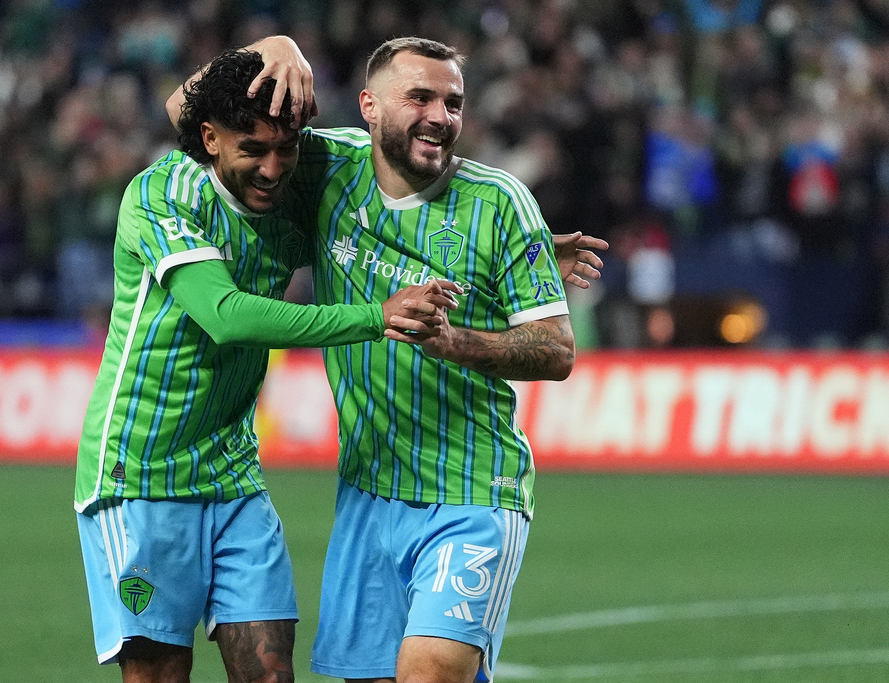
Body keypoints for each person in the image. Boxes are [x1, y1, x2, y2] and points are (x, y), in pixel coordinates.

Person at [167, 36, 607, 683]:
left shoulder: (500, 202)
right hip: (369, 493)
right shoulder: (325, 165)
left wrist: (460, 341)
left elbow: (557, 349)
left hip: (473, 492)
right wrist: (275, 46)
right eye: (420, 97)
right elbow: (187, 111)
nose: (439, 115)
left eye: (453, 102)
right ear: (369, 105)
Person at [74, 48, 462, 683]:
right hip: (139, 472)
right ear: (210, 140)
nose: (274, 168)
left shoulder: (296, 179)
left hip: (231, 472)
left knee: (270, 672)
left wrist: (510, 247)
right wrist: (374, 316)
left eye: (286, 147)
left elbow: (398, 175)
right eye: (252, 149)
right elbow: (225, 315)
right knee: (160, 676)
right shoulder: (160, 195)